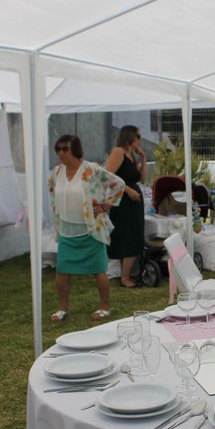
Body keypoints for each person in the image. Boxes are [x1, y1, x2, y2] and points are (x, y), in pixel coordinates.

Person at [48, 134, 125, 322]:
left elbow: (118, 184)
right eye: (58, 149)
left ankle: (105, 307)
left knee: (99, 269)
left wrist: (105, 206)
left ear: (75, 149)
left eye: (65, 149)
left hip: (90, 230)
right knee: (62, 270)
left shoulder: (91, 169)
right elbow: (53, 195)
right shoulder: (56, 172)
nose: (61, 153)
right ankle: (63, 308)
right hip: (67, 230)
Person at [106, 125, 148, 288]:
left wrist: (143, 157)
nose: (140, 139)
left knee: (134, 235)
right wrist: (129, 190)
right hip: (123, 201)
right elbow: (108, 177)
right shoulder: (118, 152)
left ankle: (126, 275)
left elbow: (143, 179)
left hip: (134, 202)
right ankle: (125, 277)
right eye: (138, 136)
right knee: (128, 236)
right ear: (130, 136)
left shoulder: (132, 156)